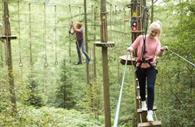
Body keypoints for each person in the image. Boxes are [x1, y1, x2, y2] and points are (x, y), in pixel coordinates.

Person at [127, 21, 167, 122]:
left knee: (150, 87)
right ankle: (143, 102)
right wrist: (130, 49)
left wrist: (162, 50)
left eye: (156, 32)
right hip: (140, 66)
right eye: (153, 31)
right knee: (141, 85)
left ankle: (150, 112)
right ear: (150, 30)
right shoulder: (141, 38)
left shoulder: (157, 41)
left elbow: (158, 53)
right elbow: (133, 46)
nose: (154, 34)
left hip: (151, 66)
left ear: (158, 33)